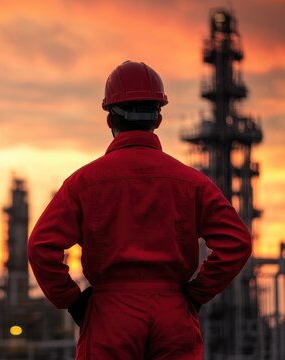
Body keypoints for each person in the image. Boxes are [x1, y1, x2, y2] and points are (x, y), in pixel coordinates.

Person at [27, 61, 252, 359]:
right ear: (158, 119)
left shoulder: (84, 182)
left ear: (110, 120)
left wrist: (72, 301)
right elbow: (237, 242)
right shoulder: (192, 182)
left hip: (111, 315)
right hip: (173, 314)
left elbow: (41, 246)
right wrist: (198, 293)